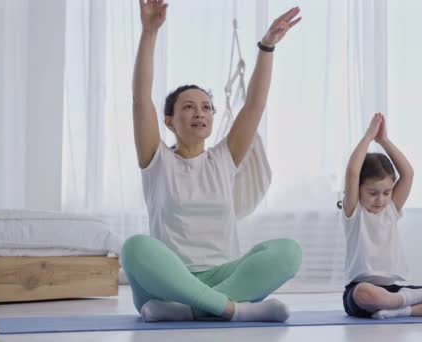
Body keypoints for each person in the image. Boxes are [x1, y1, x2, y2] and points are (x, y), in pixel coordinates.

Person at [121, 0, 303, 322]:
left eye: (206, 107)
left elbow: (254, 106)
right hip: (168, 281)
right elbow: (140, 99)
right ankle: (231, 309)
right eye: (189, 107)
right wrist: (149, 33)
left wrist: (267, 47)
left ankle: (193, 309)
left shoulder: (223, 158)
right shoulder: (156, 158)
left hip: (223, 276)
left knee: (289, 252)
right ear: (169, 121)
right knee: (136, 248)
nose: (200, 113)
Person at [340, 113, 422, 319]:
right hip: (361, 291)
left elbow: (408, 174)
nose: (380, 199)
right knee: (364, 293)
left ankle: (400, 309)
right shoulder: (354, 211)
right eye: (372, 193)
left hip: (392, 289)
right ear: (358, 190)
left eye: (386, 192)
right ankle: (401, 304)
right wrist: (368, 137)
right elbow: (352, 171)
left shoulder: (391, 210)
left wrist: (384, 140)